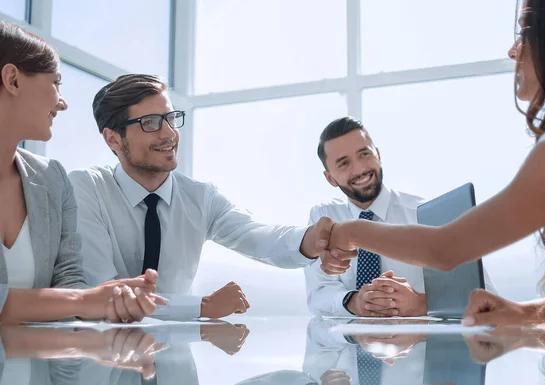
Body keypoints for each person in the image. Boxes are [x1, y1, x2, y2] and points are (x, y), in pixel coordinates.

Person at [323, 0, 545, 326]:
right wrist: (522, 313)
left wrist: (350, 231)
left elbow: (445, 249)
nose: (513, 51)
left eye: (526, 32)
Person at [69, 74, 347, 320]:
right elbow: (105, 292)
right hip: (103, 361)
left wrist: (310, 241)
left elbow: (257, 235)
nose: (169, 134)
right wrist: (201, 307)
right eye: (150, 123)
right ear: (113, 139)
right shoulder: (87, 188)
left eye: (170, 118)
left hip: (173, 362)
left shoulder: (200, 197)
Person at [0, 22, 165, 324]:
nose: (62, 103)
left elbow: (69, 283)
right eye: (56, 83)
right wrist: (83, 300)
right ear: (13, 80)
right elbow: (73, 299)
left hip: (35, 367)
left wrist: (109, 301)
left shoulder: (51, 177)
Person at [304, 117, 496, 317]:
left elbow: (488, 296)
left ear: (378, 154)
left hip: (423, 346)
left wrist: (423, 304)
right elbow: (318, 294)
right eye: (344, 163)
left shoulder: (426, 213)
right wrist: (355, 302)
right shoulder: (324, 220)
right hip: (348, 345)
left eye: (364, 154)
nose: (360, 169)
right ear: (330, 178)